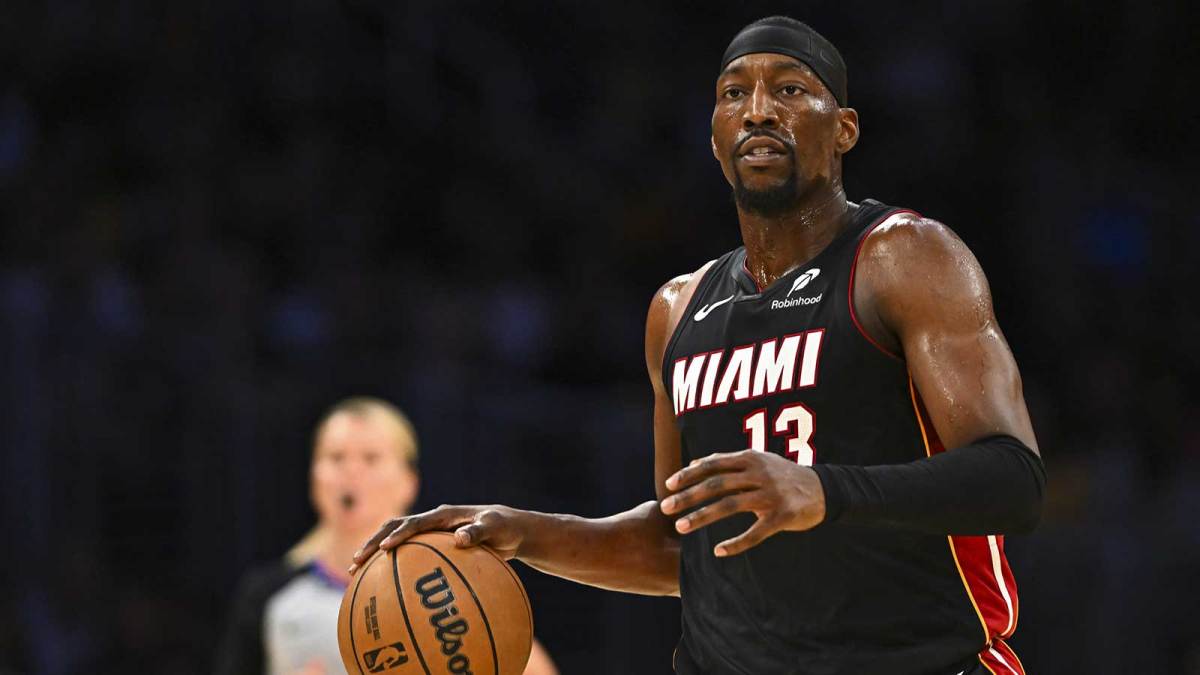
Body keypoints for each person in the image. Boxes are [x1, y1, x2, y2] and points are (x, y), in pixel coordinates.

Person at [351, 16, 1045, 675]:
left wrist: (821, 490)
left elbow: (1013, 480)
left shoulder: (903, 257)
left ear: (844, 129)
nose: (758, 110)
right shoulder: (678, 309)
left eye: (789, 89)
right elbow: (680, 546)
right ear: (715, 139)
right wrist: (524, 533)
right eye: (734, 94)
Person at [216, 397, 557, 675]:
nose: (351, 471)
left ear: (409, 483)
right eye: (335, 457)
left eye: (371, 458)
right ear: (313, 477)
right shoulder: (268, 595)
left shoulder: (454, 583)